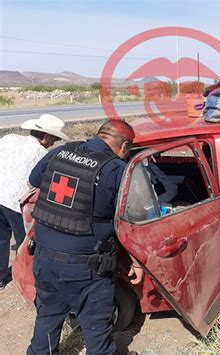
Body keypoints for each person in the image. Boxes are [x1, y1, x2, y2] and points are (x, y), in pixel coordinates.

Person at [27, 120, 144, 355]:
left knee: (47, 319)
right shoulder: (116, 170)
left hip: (44, 260)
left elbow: (34, 181)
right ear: (125, 146)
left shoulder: (60, 152)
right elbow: (132, 219)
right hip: (86, 270)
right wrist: (136, 260)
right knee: (97, 328)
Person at [0, 114, 68, 290]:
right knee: (26, 242)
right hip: (16, 203)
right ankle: (29, 277)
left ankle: (0, 277)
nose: (54, 143)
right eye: (54, 139)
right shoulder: (42, 154)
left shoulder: (9, 139)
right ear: (46, 137)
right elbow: (36, 181)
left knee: (0, 238)